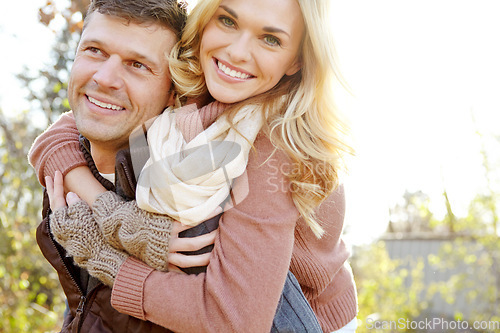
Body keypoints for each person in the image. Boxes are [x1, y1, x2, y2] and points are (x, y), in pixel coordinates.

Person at [31, 0, 358, 331]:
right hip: (234, 300)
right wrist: (108, 209)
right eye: (228, 21)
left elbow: (232, 319)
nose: (238, 52)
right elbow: (65, 129)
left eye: (270, 39)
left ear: (296, 60)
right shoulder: (194, 83)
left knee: (194, 223)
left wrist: (107, 257)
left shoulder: (273, 146)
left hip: (295, 314)